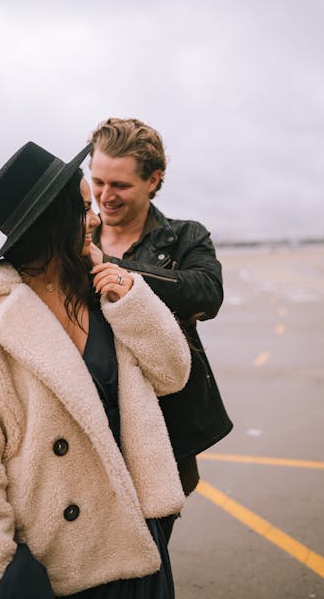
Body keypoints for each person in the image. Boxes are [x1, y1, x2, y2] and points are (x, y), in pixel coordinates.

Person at [0, 140, 191, 599]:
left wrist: (132, 298)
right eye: (85, 206)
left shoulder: (101, 286)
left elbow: (174, 373)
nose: (96, 218)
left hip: (140, 537)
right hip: (63, 564)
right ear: (52, 219)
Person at [88, 118, 233, 542]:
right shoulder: (75, 235)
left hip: (162, 426)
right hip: (87, 419)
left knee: (148, 556)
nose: (105, 196)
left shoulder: (187, 237)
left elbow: (207, 294)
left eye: (120, 185)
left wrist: (118, 271)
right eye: (97, 181)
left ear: (154, 179)